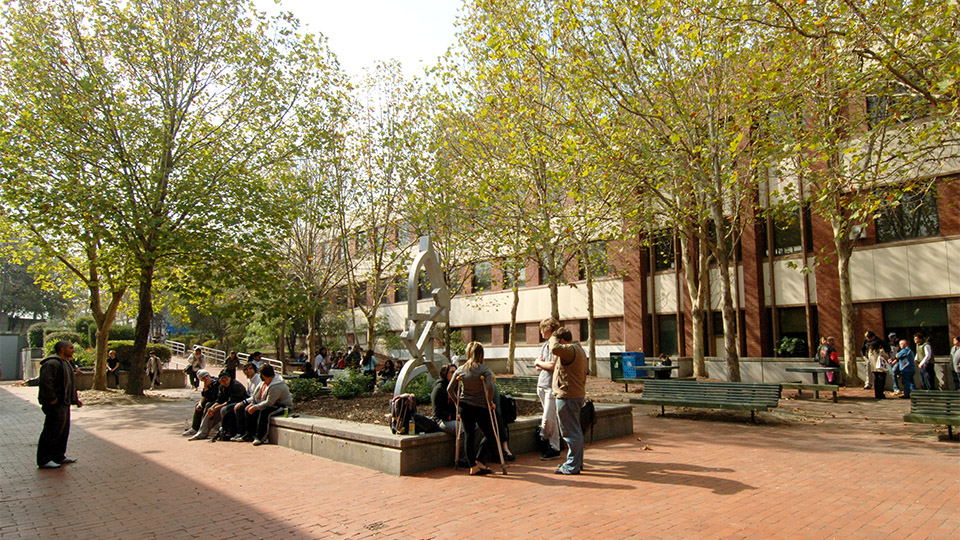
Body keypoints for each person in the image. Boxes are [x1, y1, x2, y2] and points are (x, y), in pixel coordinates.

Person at [447, 341, 498, 476]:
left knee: (469, 434)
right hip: (481, 406)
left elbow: (449, 389)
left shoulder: (461, 369)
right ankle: (479, 459)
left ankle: (473, 466)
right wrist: (490, 401)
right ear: (481, 354)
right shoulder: (484, 369)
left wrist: (457, 402)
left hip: (465, 407)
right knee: (490, 434)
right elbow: (490, 387)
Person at [36, 340, 82, 469]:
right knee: (51, 431)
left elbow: (69, 384)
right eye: (70, 348)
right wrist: (52, 399)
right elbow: (46, 382)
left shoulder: (66, 363)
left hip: (64, 403)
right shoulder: (52, 363)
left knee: (62, 431)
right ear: (62, 349)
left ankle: (58, 456)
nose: (73, 350)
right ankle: (44, 459)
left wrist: (74, 399)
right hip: (55, 404)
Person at [549, 326, 588, 475]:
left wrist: (553, 336)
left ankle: (572, 465)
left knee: (571, 433)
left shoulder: (569, 350)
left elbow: (554, 348)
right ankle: (576, 462)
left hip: (568, 396)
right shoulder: (578, 349)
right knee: (575, 431)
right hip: (575, 395)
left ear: (563, 340)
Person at [189, 371, 248, 441]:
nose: (225, 382)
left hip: (240, 402)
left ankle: (223, 430)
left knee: (223, 409)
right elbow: (219, 399)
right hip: (227, 403)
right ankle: (201, 431)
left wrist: (217, 407)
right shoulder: (221, 387)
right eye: (223, 381)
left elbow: (232, 400)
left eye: (227, 380)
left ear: (229, 378)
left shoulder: (236, 385)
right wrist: (212, 407)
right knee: (210, 408)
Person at [243, 364, 292, 446]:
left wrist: (255, 407)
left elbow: (269, 402)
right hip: (269, 404)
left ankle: (260, 437)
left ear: (262, 375)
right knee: (247, 409)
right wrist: (252, 404)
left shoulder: (277, 385)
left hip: (282, 406)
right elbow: (256, 396)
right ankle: (249, 433)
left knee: (264, 412)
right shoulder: (263, 383)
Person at [534, 317, 562, 461]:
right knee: (551, 417)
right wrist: (540, 363)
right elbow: (539, 366)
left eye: (543, 329)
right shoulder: (544, 346)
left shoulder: (555, 346)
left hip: (551, 386)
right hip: (542, 384)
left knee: (547, 419)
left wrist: (540, 362)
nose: (541, 332)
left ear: (549, 330)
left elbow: (551, 366)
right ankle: (554, 447)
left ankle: (543, 438)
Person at [224, 362, 261, 441]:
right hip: (249, 400)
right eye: (246, 369)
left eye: (251, 369)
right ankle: (231, 431)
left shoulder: (258, 379)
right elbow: (248, 394)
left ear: (254, 370)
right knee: (229, 408)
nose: (249, 371)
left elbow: (255, 397)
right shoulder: (249, 380)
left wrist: (243, 402)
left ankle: (243, 433)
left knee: (240, 408)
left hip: (256, 402)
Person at [181, 370, 216, 437]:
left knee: (207, 405)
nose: (205, 379)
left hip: (216, 401)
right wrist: (200, 403)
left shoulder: (216, 383)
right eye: (203, 379)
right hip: (210, 400)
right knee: (199, 406)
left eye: (206, 377)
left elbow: (213, 397)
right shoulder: (206, 385)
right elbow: (204, 396)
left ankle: (204, 429)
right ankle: (195, 428)